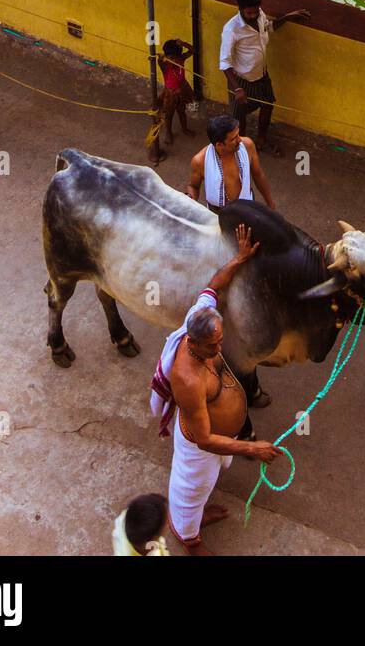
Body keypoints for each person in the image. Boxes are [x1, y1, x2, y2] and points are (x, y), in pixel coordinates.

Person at [150, 224, 279, 555]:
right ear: (192, 342)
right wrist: (253, 449)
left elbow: (214, 286)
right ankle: (189, 539)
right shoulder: (188, 379)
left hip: (220, 441)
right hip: (200, 448)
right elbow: (205, 439)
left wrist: (240, 257)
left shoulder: (201, 317)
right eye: (213, 345)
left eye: (220, 340)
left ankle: (197, 516)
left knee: (205, 488)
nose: (219, 348)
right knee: (190, 491)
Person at [219, 0, 309, 154]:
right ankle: (241, 149)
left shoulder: (260, 14)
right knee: (239, 117)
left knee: (268, 105)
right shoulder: (231, 29)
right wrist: (237, 88)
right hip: (241, 80)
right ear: (240, 9)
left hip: (262, 74)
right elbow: (224, 62)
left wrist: (289, 17)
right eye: (249, 13)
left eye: (255, 11)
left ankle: (261, 140)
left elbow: (269, 27)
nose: (253, 16)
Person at [187, 114, 274, 211]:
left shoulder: (247, 145)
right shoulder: (200, 161)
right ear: (219, 145)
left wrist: (270, 203)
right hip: (216, 215)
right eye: (234, 138)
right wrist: (189, 198)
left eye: (238, 135)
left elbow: (258, 175)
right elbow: (193, 186)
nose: (240, 140)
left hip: (247, 209)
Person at [159, 38, 195, 145]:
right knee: (169, 115)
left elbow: (192, 50)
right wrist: (161, 58)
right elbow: (159, 61)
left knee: (181, 111)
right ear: (168, 56)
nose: (174, 60)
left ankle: (184, 129)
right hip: (170, 93)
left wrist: (184, 43)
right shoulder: (165, 64)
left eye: (175, 57)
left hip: (182, 90)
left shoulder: (181, 59)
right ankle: (168, 133)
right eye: (171, 57)